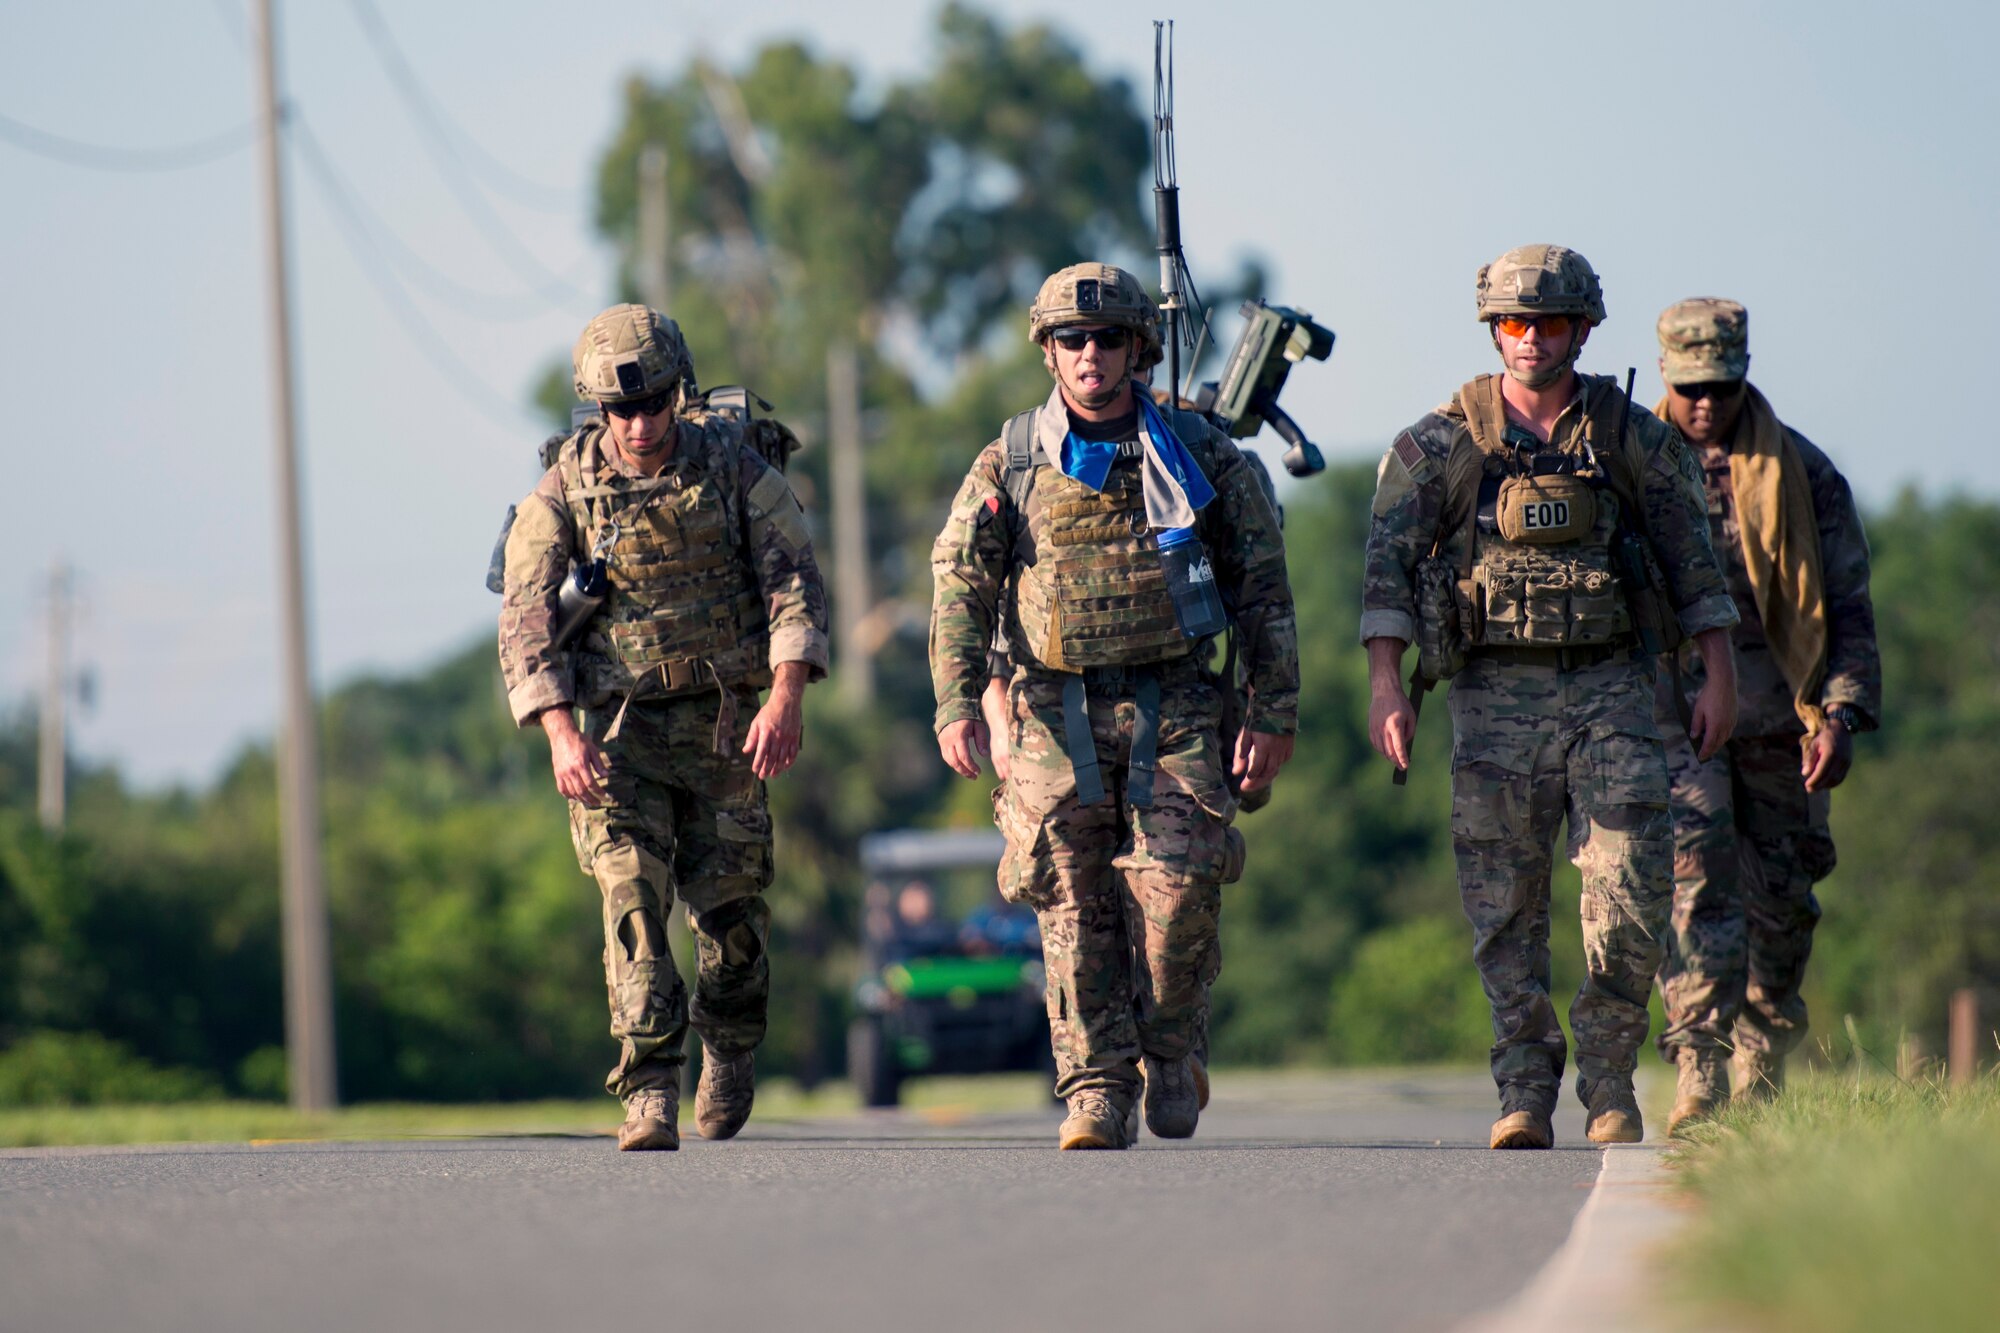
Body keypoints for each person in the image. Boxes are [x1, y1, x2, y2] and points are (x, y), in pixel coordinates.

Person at [1361, 245, 1741, 1149]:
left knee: (1633, 892)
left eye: (1554, 323)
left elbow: (1694, 558)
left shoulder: (1630, 437)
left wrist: (1718, 671)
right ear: (1495, 329)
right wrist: (1388, 682)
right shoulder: (1441, 441)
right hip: (1494, 695)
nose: (1533, 339)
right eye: (1517, 323)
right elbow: (1387, 566)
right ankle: (1524, 1085)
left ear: (1583, 328)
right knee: (1503, 905)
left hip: (1612, 688)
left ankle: (1610, 1078)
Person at [930, 262, 1298, 1149]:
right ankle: (1094, 1086)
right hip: (1052, 713)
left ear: (1138, 346)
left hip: (1174, 707)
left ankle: (1170, 1047)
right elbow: (959, 587)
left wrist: (1271, 711)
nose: (1089, 354)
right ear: (1048, 353)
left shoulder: (1199, 452)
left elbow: (1264, 590)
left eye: (1106, 339)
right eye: (1070, 340)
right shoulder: (1013, 459)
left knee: (1177, 904)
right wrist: (956, 703)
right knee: (1071, 904)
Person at [498, 304, 828, 1150]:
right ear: (596, 407)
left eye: (656, 405)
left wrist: (785, 695)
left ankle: (731, 1046)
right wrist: (559, 734)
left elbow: (794, 580)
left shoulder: (731, 464)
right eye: (622, 409)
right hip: (618, 737)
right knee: (632, 898)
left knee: (732, 924)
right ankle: (648, 1087)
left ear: (680, 393)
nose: (641, 425)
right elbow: (526, 619)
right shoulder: (564, 490)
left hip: (725, 729)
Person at [1649, 299, 1880, 1131]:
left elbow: (1847, 602)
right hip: (1677, 707)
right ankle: (1701, 1065)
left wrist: (1842, 715)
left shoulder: (1803, 472)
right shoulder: (1635, 466)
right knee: (1693, 879)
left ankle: (1764, 1057)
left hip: (1785, 702)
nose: (1705, 403)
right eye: (1689, 387)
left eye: (1721, 385)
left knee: (1783, 896)